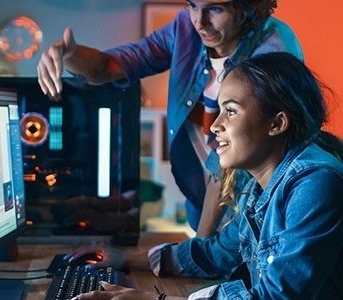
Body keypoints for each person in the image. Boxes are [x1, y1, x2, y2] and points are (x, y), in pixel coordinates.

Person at [65, 52, 343, 299]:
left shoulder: (315, 184)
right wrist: (128, 258)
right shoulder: (257, 188)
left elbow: (278, 296)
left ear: (277, 123)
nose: (215, 126)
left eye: (231, 111)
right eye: (220, 110)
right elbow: (216, 253)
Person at [37, 0, 303, 237]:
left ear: (247, 7)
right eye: (192, 5)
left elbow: (227, 165)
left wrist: (200, 247)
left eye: (215, 8)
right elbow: (111, 66)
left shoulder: (273, 47)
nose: (200, 22)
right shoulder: (184, 29)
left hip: (254, 213)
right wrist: (67, 55)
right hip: (203, 205)